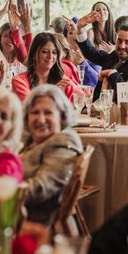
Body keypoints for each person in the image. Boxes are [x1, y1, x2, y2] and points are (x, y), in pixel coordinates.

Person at [20, 85, 83, 226]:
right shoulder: (31, 140)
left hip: (39, 225)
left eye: (48, 113)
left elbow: (40, 188)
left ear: (62, 116)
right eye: (35, 113)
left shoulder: (63, 141)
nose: (41, 120)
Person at [71, 16, 128, 99]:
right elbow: (91, 53)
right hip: (97, 107)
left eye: (127, 42)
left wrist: (111, 73)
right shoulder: (115, 55)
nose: (122, 46)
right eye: (119, 41)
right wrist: (80, 28)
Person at [11, 32, 78, 102]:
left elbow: (82, 99)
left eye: (54, 52)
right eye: (45, 52)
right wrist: (53, 93)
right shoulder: (19, 81)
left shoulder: (62, 80)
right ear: (33, 54)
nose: (50, 57)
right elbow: (32, 106)